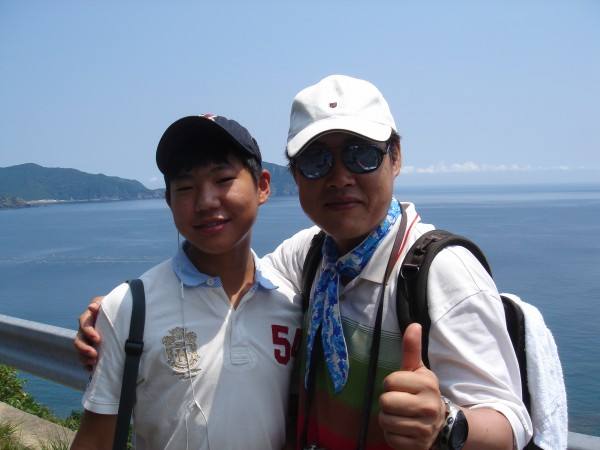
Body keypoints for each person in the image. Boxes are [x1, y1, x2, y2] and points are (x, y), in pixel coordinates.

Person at [76, 75, 533, 449]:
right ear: (295, 175)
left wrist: (446, 421)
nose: (339, 177)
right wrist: (119, 312)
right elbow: (234, 282)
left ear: (395, 157)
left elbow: (513, 422)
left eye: (361, 154)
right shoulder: (312, 257)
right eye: (316, 161)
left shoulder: (441, 271)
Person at [70, 114, 302, 449]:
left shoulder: (290, 301)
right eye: (186, 187)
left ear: (263, 186)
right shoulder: (129, 308)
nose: (206, 201)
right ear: (169, 200)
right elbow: (95, 441)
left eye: (223, 179)